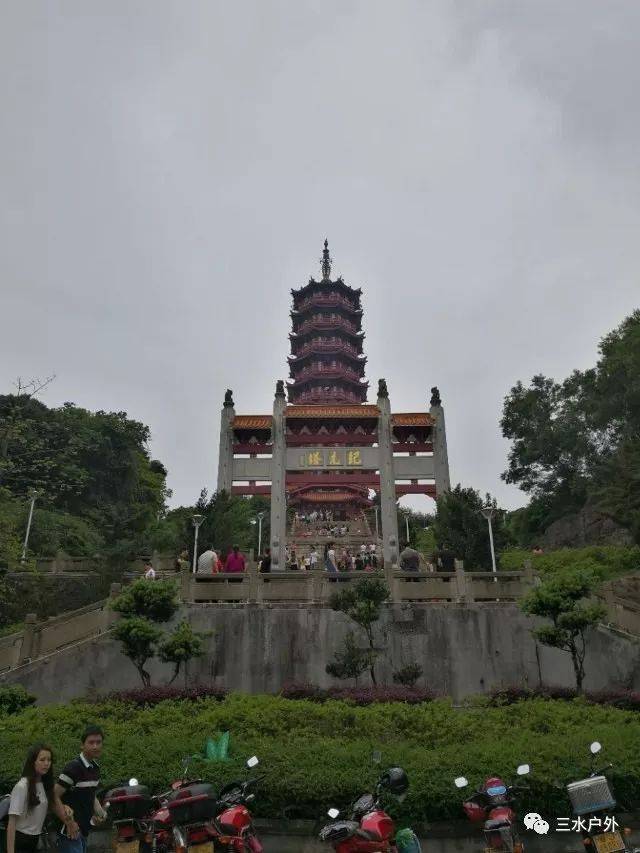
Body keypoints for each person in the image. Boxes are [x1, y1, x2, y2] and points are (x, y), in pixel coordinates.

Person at [7, 744, 72, 853]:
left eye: (49, 760)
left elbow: (45, 806)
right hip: (20, 841)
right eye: (42, 760)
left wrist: (65, 807)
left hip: (36, 840)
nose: (46, 763)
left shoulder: (44, 784)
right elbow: (12, 823)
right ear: (33, 762)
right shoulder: (22, 786)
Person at [55, 726, 107, 853]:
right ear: (82, 745)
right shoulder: (73, 768)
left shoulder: (95, 768)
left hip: (83, 830)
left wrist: (101, 813)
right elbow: (53, 796)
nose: (95, 746)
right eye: (91, 742)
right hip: (69, 833)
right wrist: (69, 823)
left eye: (98, 742)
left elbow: (91, 794)